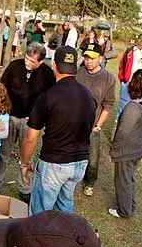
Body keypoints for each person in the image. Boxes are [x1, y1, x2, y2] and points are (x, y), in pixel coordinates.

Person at [20, 46, 96, 215]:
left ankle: (38, 240)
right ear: (75, 67)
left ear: (54, 65)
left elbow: (31, 138)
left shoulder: (48, 96)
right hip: (80, 163)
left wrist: (24, 164)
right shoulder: (89, 96)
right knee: (64, 209)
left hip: (54, 162)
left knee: (40, 213)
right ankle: (62, 239)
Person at [0, 43, 56, 203]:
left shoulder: (47, 74)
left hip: (31, 122)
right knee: (3, 152)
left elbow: (50, 98)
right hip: (9, 117)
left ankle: (25, 188)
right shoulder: (14, 66)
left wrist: (38, 116)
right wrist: (2, 110)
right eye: (26, 58)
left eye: (32, 61)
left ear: (41, 61)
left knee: (27, 156)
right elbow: (2, 87)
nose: (27, 62)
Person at [109, 70, 142, 218]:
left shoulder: (133, 108)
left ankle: (124, 210)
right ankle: (131, 205)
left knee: (123, 180)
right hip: (140, 147)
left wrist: (114, 148)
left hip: (128, 150)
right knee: (130, 178)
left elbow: (123, 132)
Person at [76, 43, 116, 197]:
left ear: (100, 58)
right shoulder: (78, 73)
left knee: (92, 159)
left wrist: (98, 126)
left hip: (92, 126)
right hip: (75, 123)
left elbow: (108, 105)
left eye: (92, 58)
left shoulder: (108, 78)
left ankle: (89, 182)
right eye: (86, 57)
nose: (89, 61)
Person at [117, 33, 142, 118]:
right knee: (123, 106)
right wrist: (122, 79)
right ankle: (118, 126)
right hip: (128, 82)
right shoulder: (130, 51)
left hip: (141, 85)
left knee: (137, 107)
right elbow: (122, 65)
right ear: (138, 40)